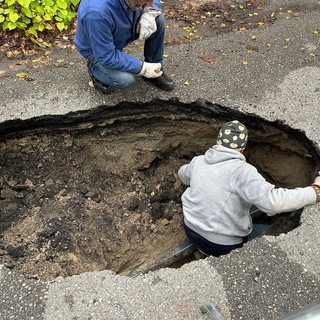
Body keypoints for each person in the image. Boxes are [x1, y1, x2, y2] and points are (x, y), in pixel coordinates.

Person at [178, 120, 320, 257]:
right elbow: (273, 202)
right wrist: (314, 192)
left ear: (218, 141)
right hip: (221, 244)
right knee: (269, 231)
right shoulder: (242, 172)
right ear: (242, 149)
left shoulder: (198, 161)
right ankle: (220, 255)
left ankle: (203, 251)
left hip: (190, 229)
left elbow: (182, 174)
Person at [74, 0, 175, 94]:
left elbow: (153, 3)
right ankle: (94, 68)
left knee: (158, 19)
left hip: (122, 28)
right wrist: (142, 67)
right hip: (97, 49)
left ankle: (155, 71)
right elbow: (107, 56)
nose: (150, 2)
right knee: (124, 79)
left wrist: (151, 10)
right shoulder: (96, 14)